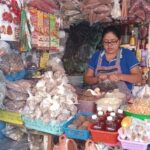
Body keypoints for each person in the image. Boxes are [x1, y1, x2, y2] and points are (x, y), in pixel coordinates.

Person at [84, 25, 142, 99]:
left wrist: (120, 76)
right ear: (102, 42)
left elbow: (138, 78)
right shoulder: (97, 55)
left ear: (119, 41)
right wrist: (97, 79)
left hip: (122, 101)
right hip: (99, 100)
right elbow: (86, 78)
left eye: (113, 41)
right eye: (106, 42)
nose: (110, 45)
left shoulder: (127, 55)